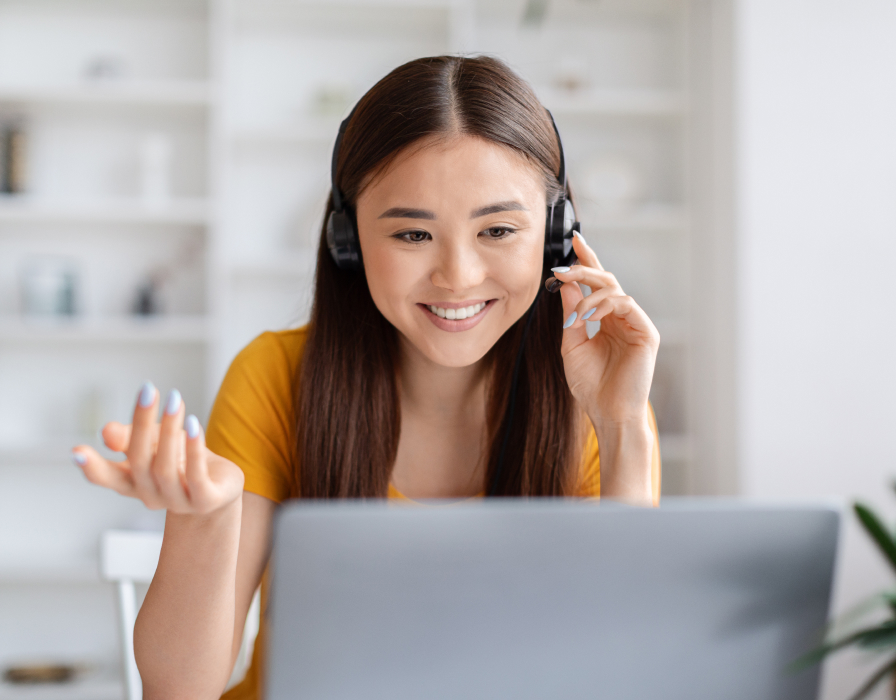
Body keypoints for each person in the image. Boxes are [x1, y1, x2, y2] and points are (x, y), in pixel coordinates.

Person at [71, 55, 661, 700]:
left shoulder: (599, 402)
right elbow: (178, 692)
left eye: (497, 229)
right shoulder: (276, 376)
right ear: (346, 239)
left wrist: (623, 424)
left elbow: (622, 671)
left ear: (556, 237)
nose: (457, 276)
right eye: (412, 233)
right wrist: (203, 522)